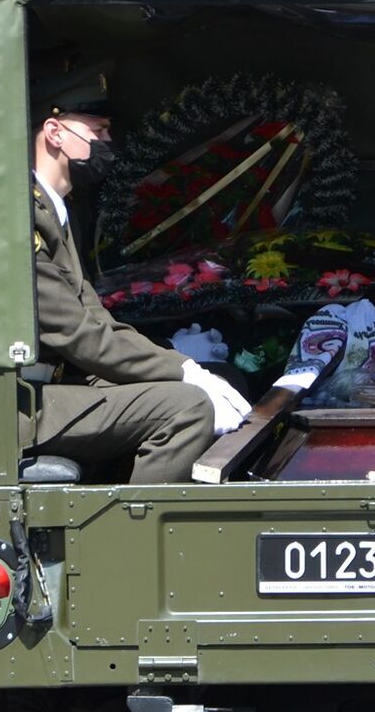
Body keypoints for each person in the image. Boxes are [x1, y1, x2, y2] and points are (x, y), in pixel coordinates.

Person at [22, 69, 248, 483]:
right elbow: (80, 337)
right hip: (27, 407)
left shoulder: (53, 211)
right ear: (54, 132)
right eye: (99, 130)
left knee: (225, 376)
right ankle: (133, 541)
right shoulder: (23, 219)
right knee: (188, 408)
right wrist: (181, 369)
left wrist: (180, 357)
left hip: (58, 387)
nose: (107, 143)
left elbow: (95, 318)